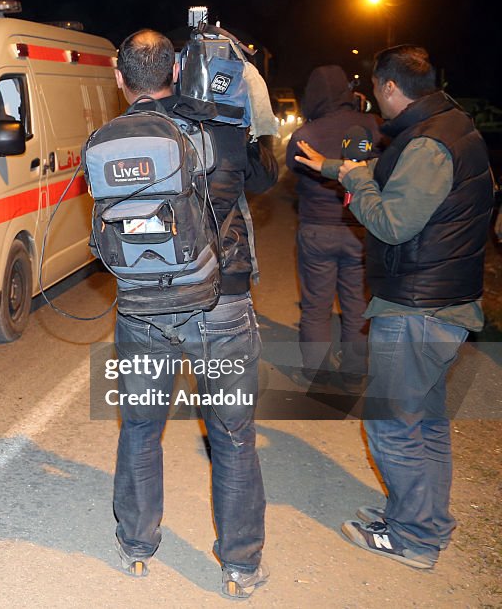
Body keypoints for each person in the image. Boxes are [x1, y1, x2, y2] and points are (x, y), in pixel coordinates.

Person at [295, 45, 495, 569]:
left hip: (417, 308)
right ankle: (426, 519)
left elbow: (391, 222)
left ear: (388, 87)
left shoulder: (429, 145)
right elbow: (391, 174)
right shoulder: (448, 125)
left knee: (391, 425)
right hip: (440, 303)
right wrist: (340, 168)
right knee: (424, 424)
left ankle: (413, 538)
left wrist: (355, 181)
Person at [102, 30, 277, 598]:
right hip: (220, 303)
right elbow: (267, 176)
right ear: (176, 71)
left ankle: (135, 545)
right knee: (232, 437)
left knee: (141, 429)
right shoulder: (219, 128)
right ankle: (241, 565)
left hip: (142, 308)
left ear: (117, 76)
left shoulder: (107, 139)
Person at [286, 65, 382, 384]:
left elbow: (293, 169)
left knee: (316, 305)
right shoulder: (373, 126)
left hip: (316, 229)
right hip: (360, 227)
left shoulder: (305, 135)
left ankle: (318, 373)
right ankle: (355, 372)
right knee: (357, 303)